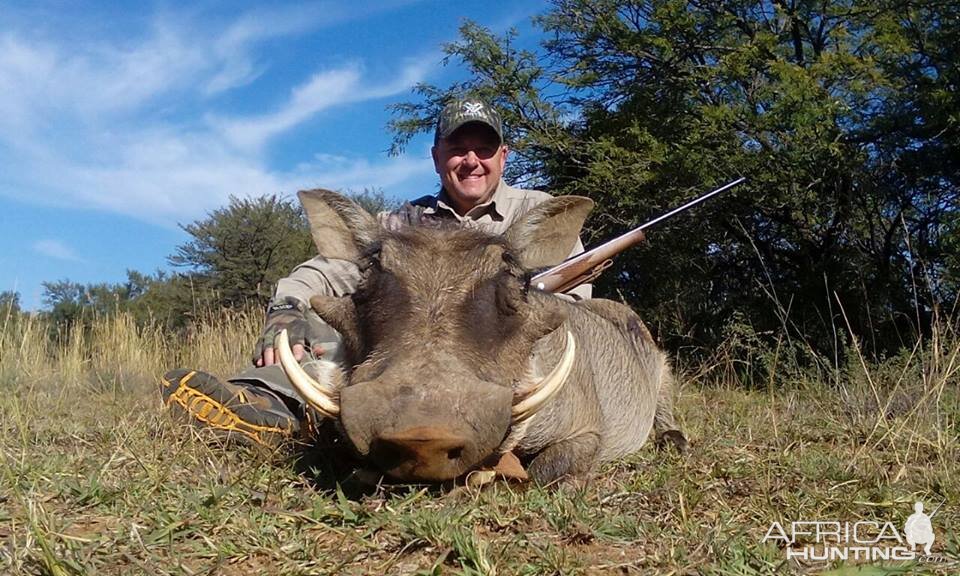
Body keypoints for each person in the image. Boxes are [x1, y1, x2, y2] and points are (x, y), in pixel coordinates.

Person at [160, 97, 591, 446]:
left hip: (489, 350)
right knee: (342, 327)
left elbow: (573, 306)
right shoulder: (402, 224)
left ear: (503, 155)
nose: (471, 160)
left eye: (483, 149)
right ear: (437, 156)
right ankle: (262, 401)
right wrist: (286, 315)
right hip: (402, 348)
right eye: (458, 149)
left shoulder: (536, 213)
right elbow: (323, 271)